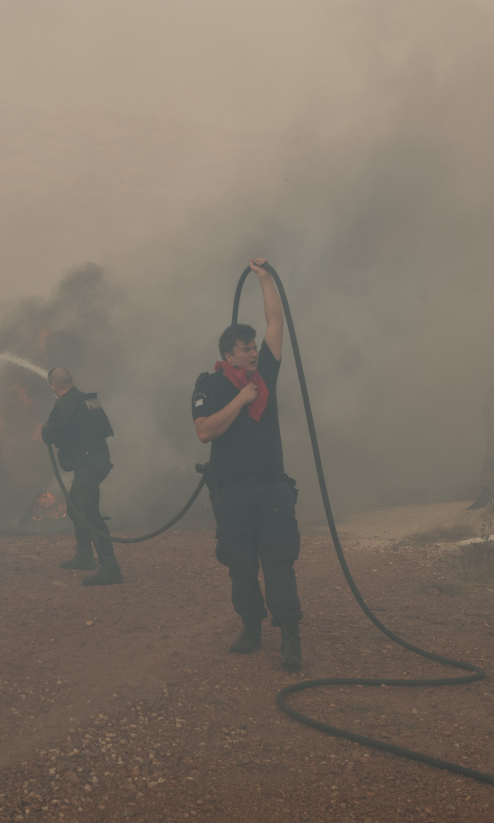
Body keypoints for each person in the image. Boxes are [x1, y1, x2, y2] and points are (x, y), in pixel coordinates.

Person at [192, 258, 303, 670]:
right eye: (246, 348)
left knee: (278, 560)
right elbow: (205, 432)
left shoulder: (266, 376)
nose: (255, 352)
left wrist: (264, 277)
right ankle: (251, 627)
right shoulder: (210, 385)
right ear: (228, 355)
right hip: (233, 491)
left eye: (255, 347)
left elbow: (277, 323)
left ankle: (290, 635)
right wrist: (240, 402)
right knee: (240, 563)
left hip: (271, 486)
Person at [41, 367, 122, 586]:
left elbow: (50, 434)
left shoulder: (63, 403)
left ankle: (110, 567)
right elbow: (102, 428)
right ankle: (85, 556)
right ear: (74, 380)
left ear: (53, 388)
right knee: (75, 504)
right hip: (99, 460)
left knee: (88, 512)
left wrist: (43, 431)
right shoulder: (89, 400)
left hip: (87, 464)